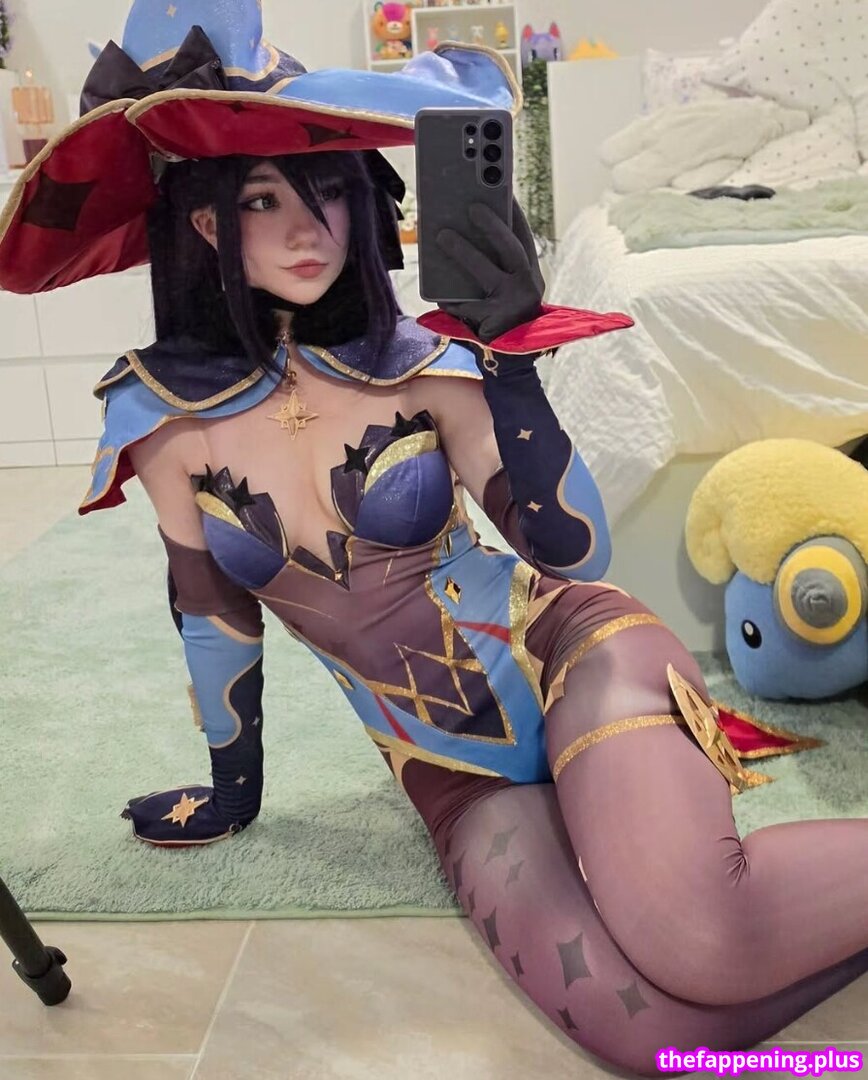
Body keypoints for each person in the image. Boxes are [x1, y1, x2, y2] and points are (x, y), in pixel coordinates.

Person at [1, 3, 866, 1075]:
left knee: (700, 938)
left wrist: (511, 363)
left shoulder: (423, 361)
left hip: (573, 658)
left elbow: (573, 554)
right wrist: (233, 790)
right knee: (661, 1040)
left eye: (327, 190)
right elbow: (214, 619)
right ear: (207, 223)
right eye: (262, 198)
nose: (309, 229)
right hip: (448, 771)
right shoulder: (159, 423)